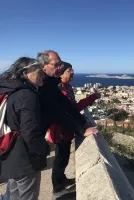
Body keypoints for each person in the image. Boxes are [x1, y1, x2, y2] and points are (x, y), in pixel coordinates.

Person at [48, 62, 101, 196]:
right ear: (60, 73)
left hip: (67, 129)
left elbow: (73, 109)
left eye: (72, 70)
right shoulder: (59, 89)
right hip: (60, 129)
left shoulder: (68, 87)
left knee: (64, 157)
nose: (72, 72)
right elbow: (72, 110)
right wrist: (91, 98)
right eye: (69, 70)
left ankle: (62, 179)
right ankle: (58, 189)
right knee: (60, 158)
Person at [0, 57, 50, 200]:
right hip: (25, 157)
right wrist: (43, 149)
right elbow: (30, 132)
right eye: (40, 72)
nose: (43, 76)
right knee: (28, 196)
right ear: (26, 72)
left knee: (13, 195)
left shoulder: (8, 89)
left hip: (9, 152)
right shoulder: (27, 95)